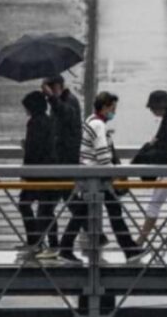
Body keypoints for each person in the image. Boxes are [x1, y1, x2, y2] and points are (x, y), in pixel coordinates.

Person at [58, 92, 147, 264]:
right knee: (113, 211)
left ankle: (65, 248)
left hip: (90, 177)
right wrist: (115, 176)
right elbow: (103, 156)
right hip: (97, 179)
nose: (114, 112)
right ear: (105, 107)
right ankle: (129, 250)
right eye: (113, 108)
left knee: (86, 212)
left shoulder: (91, 120)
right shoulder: (99, 125)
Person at [137, 90, 167, 246]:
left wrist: (156, 146)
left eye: (152, 107)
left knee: (154, 205)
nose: (151, 110)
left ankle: (139, 243)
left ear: (159, 107)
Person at [17, 91, 59, 260]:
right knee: (45, 208)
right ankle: (42, 242)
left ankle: (38, 241)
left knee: (29, 205)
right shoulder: (49, 121)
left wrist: (24, 172)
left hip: (37, 174)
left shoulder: (34, 123)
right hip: (49, 172)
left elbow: (34, 150)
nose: (25, 110)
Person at [43, 74, 83, 250]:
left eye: (49, 90)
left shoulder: (69, 101)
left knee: (47, 206)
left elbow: (66, 114)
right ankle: (95, 233)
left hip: (65, 162)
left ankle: (51, 246)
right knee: (69, 201)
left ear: (57, 86)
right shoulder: (59, 103)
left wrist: (52, 97)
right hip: (59, 162)